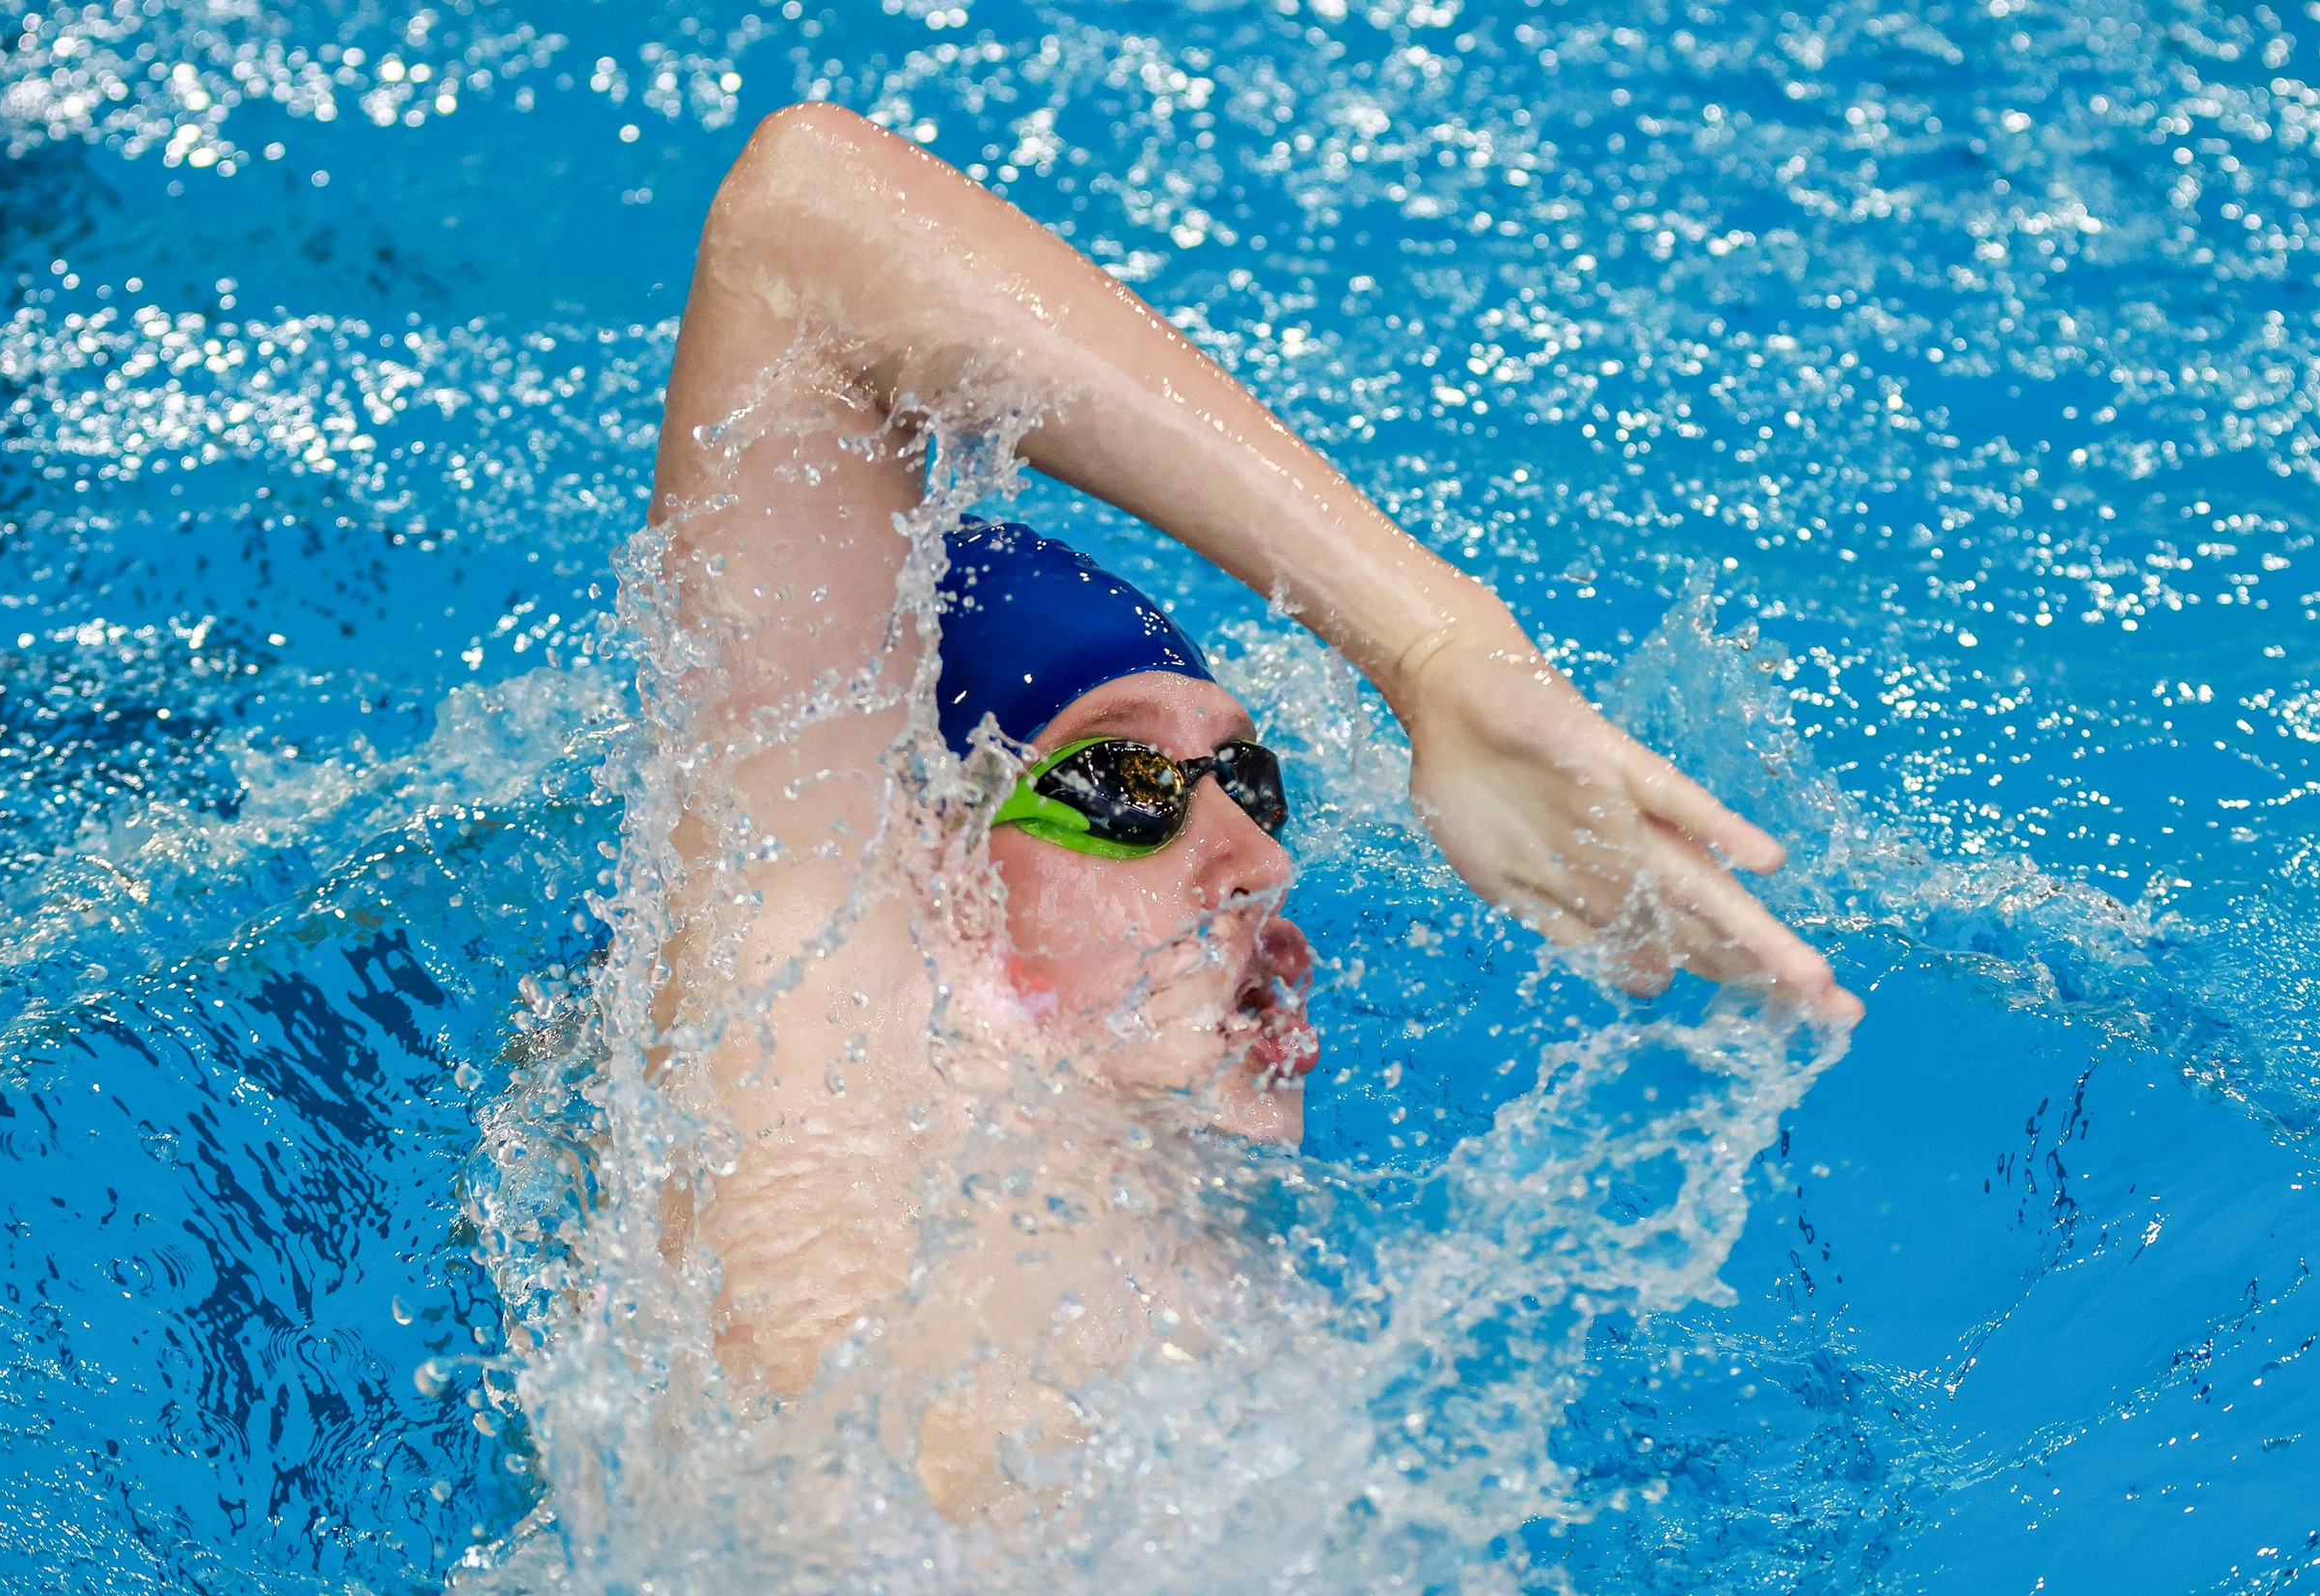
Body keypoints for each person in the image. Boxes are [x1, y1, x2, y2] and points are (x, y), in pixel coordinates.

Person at [634, 101, 1861, 1518]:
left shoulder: (1239, 1306)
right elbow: (803, 222)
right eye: (1128, 787)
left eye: (1253, 785)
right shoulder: (815, 1061)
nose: (1256, 860)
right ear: (922, 861)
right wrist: (1434, 650)